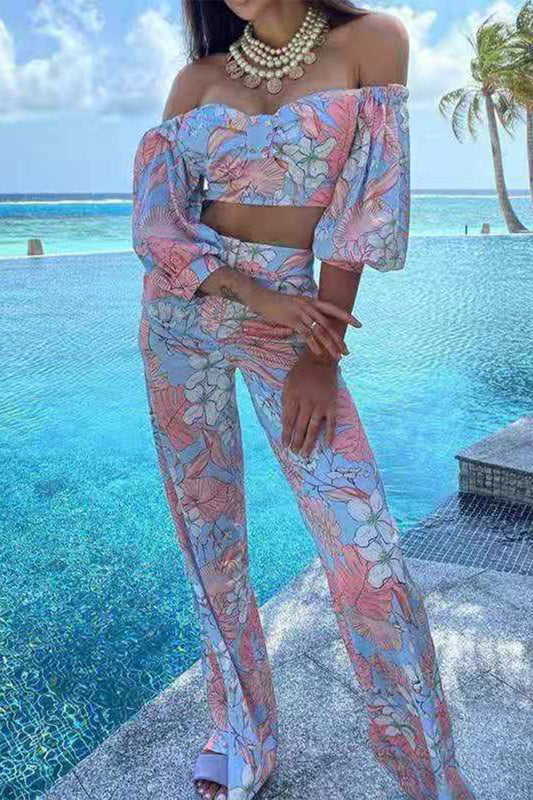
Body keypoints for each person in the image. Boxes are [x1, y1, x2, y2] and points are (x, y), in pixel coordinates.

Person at [131, 2, 477, 799]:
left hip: (294, 321)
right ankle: (241, 733)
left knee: (366, 554)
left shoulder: (372, 42)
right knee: (208, 537)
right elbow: (156, 221)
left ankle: (428, 775)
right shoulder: (197, 78)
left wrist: (319, 357)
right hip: (182, 314)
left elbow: (364, 207)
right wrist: (244, 288)